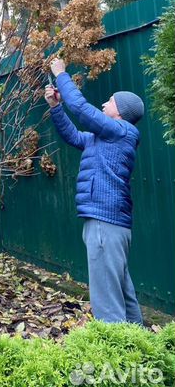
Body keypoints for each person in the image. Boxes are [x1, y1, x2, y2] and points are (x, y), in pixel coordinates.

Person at [44, 57, 144, 325]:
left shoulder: (121, 132)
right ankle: (140, 349)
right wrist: (56, 107)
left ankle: (113, 360)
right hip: (112, 224)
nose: (103, 104)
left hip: (104, 222)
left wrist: (61, 74)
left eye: (109, 101)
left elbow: (81, 107)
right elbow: (75, 137)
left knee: (106, 302)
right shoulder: (106, 137)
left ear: (120, 112)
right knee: (123, 294)